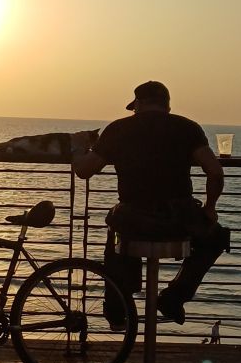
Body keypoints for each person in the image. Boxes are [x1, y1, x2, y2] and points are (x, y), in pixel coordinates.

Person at [72, 80, 229, 326]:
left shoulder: (118, 129)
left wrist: (78, 150)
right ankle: (175, 296)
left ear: (140, 103)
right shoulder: (188, 128)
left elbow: (84, 171)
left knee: (117, 234)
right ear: (167, 105)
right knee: (216, 237)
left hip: (134, 218)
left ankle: (118, 305)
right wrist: (210, 208)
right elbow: (215, 172)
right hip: (178, 220)